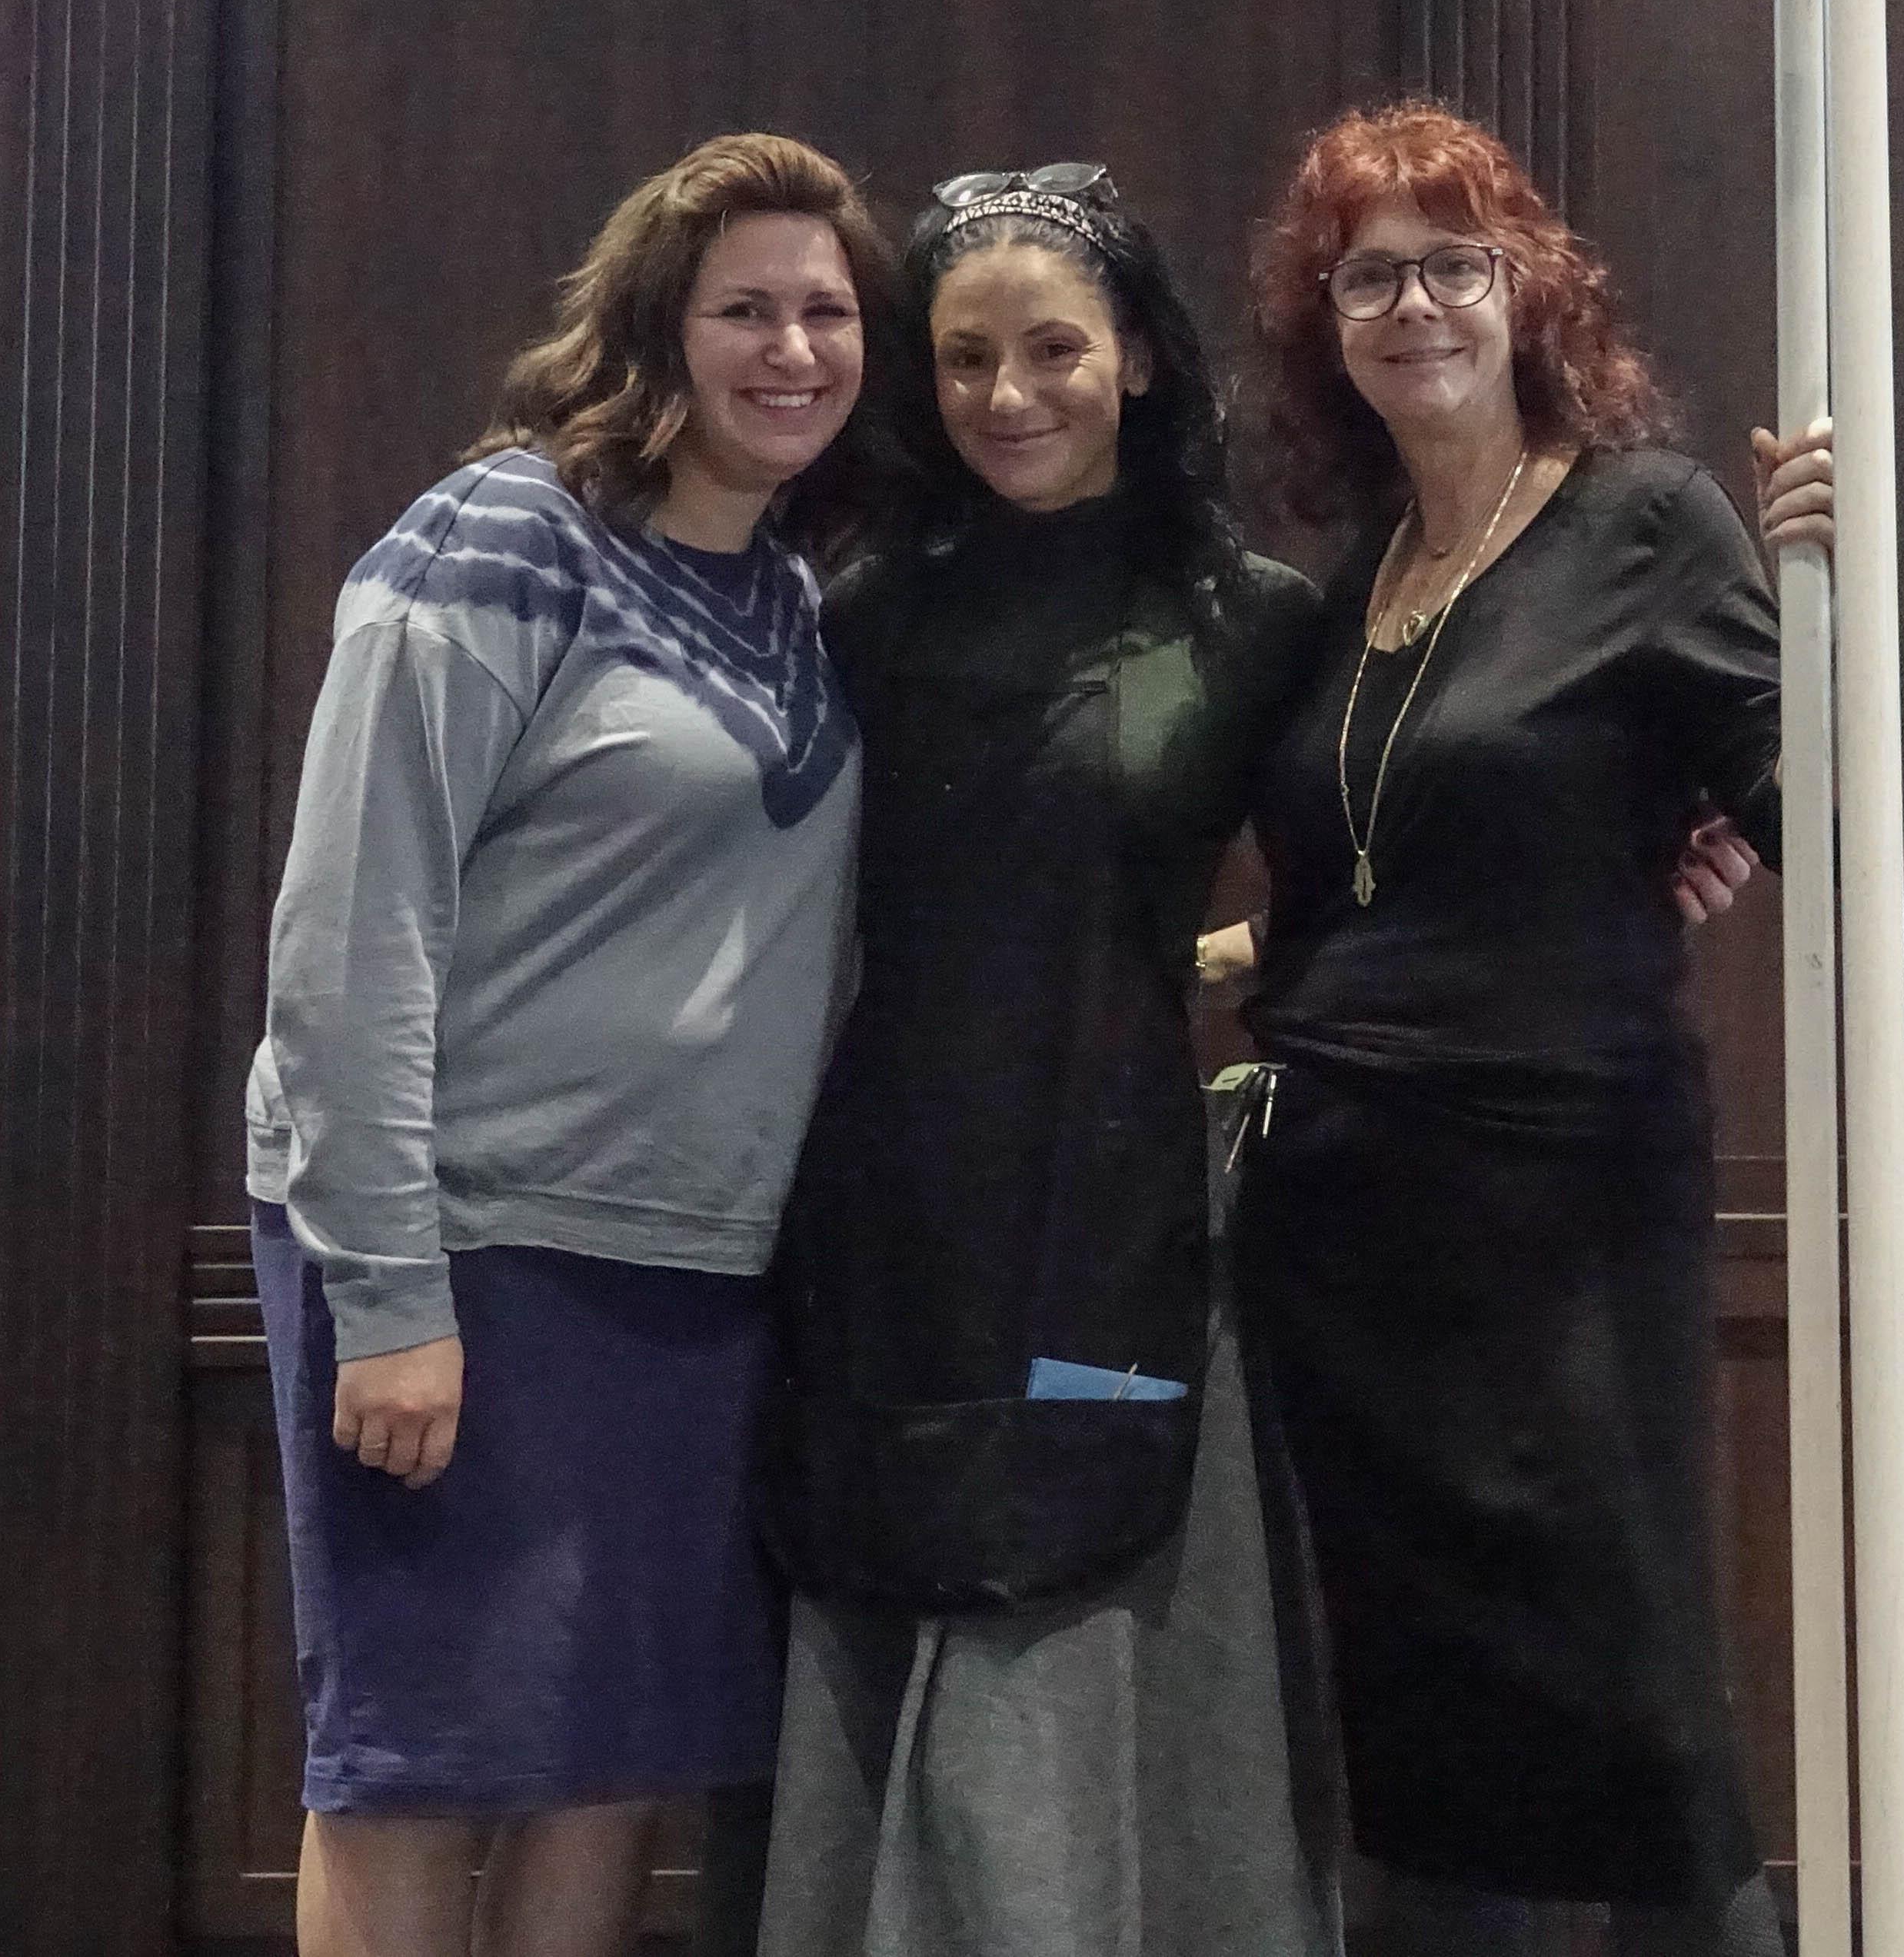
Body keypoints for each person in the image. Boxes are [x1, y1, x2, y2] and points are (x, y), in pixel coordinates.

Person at [245, 132, 900, 1957]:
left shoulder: (795, 597)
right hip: (467, 1250)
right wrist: (391, 1291)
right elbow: (351, 929)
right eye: (745, 309)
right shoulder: (505, 534)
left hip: (689, 1276)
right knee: (420, 1759)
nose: (792, 349)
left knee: (611, 1762)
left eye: (829, 311)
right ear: (656, 327)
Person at [1210, 99, 1831, 1957]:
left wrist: (1832, 608)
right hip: (1343, 1228)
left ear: (1526, 291)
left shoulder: (1645, 519)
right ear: (1326, 324)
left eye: (1451, 265)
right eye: (1368, 277)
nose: (1412, 306)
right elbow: (1361, 887)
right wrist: (1207, 954)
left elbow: (1818, 814)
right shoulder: (1349, 591)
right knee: (1416, 1728)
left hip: (1563, 1211)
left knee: (1637, 1711)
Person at [740, 165, 1340, 1957]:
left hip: (1112, 1212)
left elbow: (1375, 878)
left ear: (1137, 356)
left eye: (1053, 349)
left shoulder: (1254, 619)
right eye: (964, 358)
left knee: (1073, 1615)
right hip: (880, 1207)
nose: (1008, 395)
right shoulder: (852, 615)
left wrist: (1196, 964)